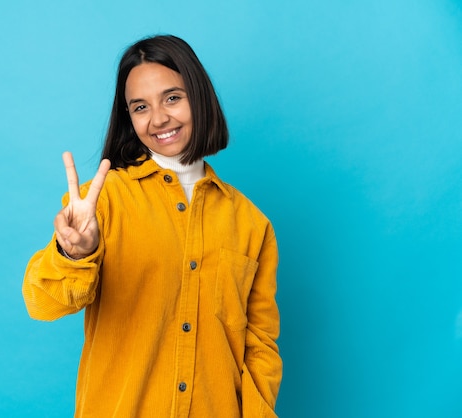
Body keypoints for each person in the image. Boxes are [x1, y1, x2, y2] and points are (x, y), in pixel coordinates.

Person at [22, 34, 282, 418]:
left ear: (199, 96)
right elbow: (42, 303)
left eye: (172, 98)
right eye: (140, 106)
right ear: (128, 117)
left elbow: (259, 345)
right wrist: (74, 254)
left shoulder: (250, 223)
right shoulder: (102, 201)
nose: (159, 118)